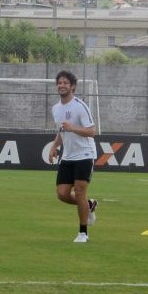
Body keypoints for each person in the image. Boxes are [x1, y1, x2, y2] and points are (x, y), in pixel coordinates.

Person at [48, 70, 98, 243]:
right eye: (59, 83)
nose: (61, 85)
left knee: (79, 191)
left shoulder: (80, 106)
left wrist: (73, 128)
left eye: (65, 83)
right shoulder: (56, 108)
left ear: (73, 87)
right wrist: (54, 147)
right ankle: (89, 205)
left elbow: (92, 131)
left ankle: (83, 233)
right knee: (62, 194)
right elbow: (61, 131)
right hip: (68, 157)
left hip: (85, 154)